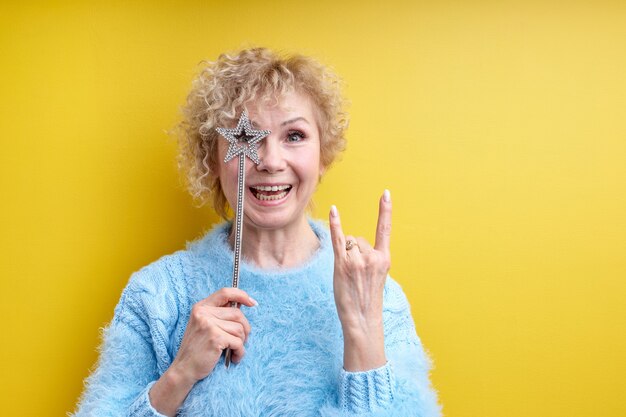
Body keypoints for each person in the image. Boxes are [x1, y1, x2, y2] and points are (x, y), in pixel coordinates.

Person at [72, 47, 441, 416]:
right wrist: (180, 375)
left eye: (294, 135)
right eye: (247, 139)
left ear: (323, 154)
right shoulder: (157, 294)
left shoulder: (373, 292)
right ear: (212, 160)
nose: (270, 162)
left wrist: (363, 333)